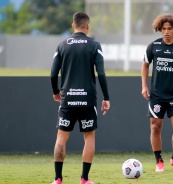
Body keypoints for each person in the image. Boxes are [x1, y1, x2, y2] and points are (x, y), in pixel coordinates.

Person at [50, 12, 110, 184]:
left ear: (73, 25)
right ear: (87, 26)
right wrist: (106, 97)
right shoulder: (94, 45)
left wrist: (56, 91)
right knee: (89, 137)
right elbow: (101, 73)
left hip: (67, 99)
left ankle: (58, 179)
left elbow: (53, 74)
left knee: (61, 137)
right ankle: (84, 179)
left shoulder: (62, 45)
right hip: (87, 100)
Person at [141, 14, 173, 172]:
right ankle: (159, 161)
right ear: (159, 29)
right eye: (163, 29)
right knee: (155, 127)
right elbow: (145, 65)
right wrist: (144, 86)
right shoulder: (153, 46)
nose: (166, 32)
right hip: (157, 96)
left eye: (169, 29)